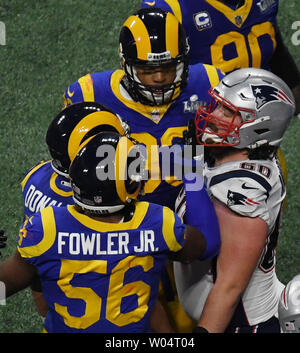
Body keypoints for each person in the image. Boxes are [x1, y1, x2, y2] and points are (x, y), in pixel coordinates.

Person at [63, 7, 224, 332]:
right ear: (126, 63)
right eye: (149, 69)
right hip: (121, 226)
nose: (161, 77)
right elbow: (75, 172)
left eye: (168, 66)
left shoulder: (208, 82)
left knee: (191, 317)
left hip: (189, 218)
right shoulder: (92, 95)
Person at [0, 132, 220, 333]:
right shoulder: (157, 223)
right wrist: (192, 175)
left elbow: (3, 287)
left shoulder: (46, 227)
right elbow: (207, 244)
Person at [174, 67, 295, 333]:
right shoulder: (232, 153)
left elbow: (229, 288)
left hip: (240, 324)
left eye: (228, 112)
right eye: (218, 105)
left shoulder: (244, 188)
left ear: (260, 125)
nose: (214, 115)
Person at [21, 101, 130, 317]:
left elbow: (31, 265)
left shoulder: (35, 177)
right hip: (111, 302)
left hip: (55, 294)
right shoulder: (96, 200)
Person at [140, 0, 300, 115]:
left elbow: (275, 51)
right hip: (202, 126)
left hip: (257, 124)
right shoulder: (169, 8)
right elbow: (153, 86)